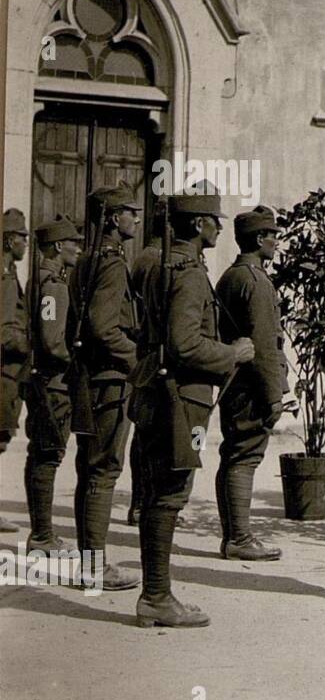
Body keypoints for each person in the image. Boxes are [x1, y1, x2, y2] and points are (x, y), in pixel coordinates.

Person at [133, 192, 255, 627]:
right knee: (169, 494)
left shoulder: (156, 264)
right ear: (198, 224)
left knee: (157, 493)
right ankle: (157, 597)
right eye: (213, 222)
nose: (220, 229)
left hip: (156, 391)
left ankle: (155, 594)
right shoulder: (186, 275)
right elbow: (185, 344)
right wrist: (232, 353)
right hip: (180, 400)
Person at [68, 186, 142, 590]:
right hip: (111, 382)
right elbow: (103, 327)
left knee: (88, 470)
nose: (136, 217)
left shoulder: (85, 262)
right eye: (130, 211)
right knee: (103, 471)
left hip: (89, 379)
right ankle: (94, 567)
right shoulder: (111, 265)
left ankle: (87, 562)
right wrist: (138, 362)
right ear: (113, 219)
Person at [214, 206, 288, 561]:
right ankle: (240, 539)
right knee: (245, 457)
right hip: (251, 386)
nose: (277, 241)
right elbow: (263, 347)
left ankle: (234, 535)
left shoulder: (231, 276)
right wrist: (274, 397)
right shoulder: (256, 281)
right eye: (273, 235)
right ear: (260, 239)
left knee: (232, 456)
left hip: (235, 382)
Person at [23, 216, 82, 552]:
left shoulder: (39, 279)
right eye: (73, 242)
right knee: (48, 454)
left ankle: (41, 533)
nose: (78, 248)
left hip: (41, 380)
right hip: (54, 383)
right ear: (59, 247)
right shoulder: (54, 285)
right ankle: (43, 536)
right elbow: (51, 341)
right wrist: (74, 364)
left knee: (41, 454)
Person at [126, 201, 167, 527]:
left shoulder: (146, 257)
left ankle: (143, 502)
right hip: (153, 359)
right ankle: (143, 503)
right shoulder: (154, 260)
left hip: (149, 357)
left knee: (146, 436)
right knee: (149, 437)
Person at [1, 209, 31, 533]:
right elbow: (5, 332)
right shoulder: (6, 278)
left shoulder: (8, 272)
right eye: (22, 237)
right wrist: (32, 345)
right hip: (4, 374)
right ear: (10, 241)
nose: (26, 242)